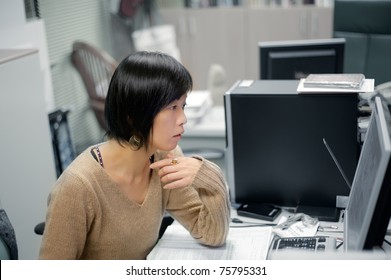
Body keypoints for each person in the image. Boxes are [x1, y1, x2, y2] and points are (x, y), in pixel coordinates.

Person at [39, 51, 230, 260]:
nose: (183, 118)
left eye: (182, 106)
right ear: (134, 116)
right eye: (172, 107)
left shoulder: (165, 158)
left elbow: (212, 234)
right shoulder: (77, 187)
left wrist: (210, 176)